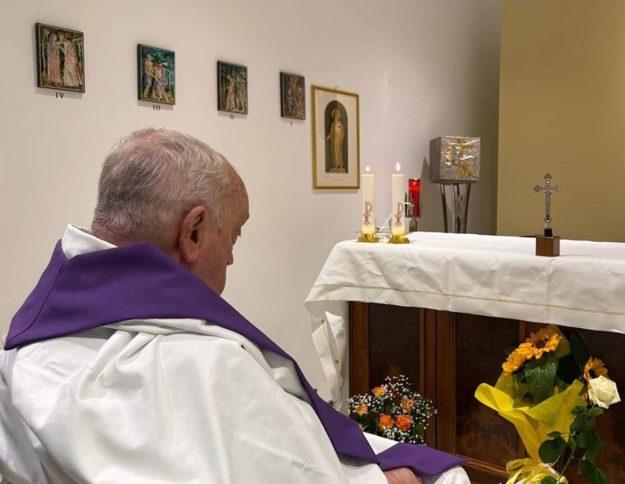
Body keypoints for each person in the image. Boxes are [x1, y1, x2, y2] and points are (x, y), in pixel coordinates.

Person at [0, 128, 467, 483]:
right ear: (194, 231)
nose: (231, 256)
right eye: (234, 234)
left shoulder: (21, 356)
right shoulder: (209, 367)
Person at [327, 106, 346, 172]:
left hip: (339, 139)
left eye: (337, 114)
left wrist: (340, 129)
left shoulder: (339, 123)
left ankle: (340, 165)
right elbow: (331, 131)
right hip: (334, 139)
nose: (336, 115)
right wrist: (329, 137)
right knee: (334, 151)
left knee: (339, 151)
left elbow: (343, 131)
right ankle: (335, 165)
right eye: (335, 114)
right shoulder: (333, 123)